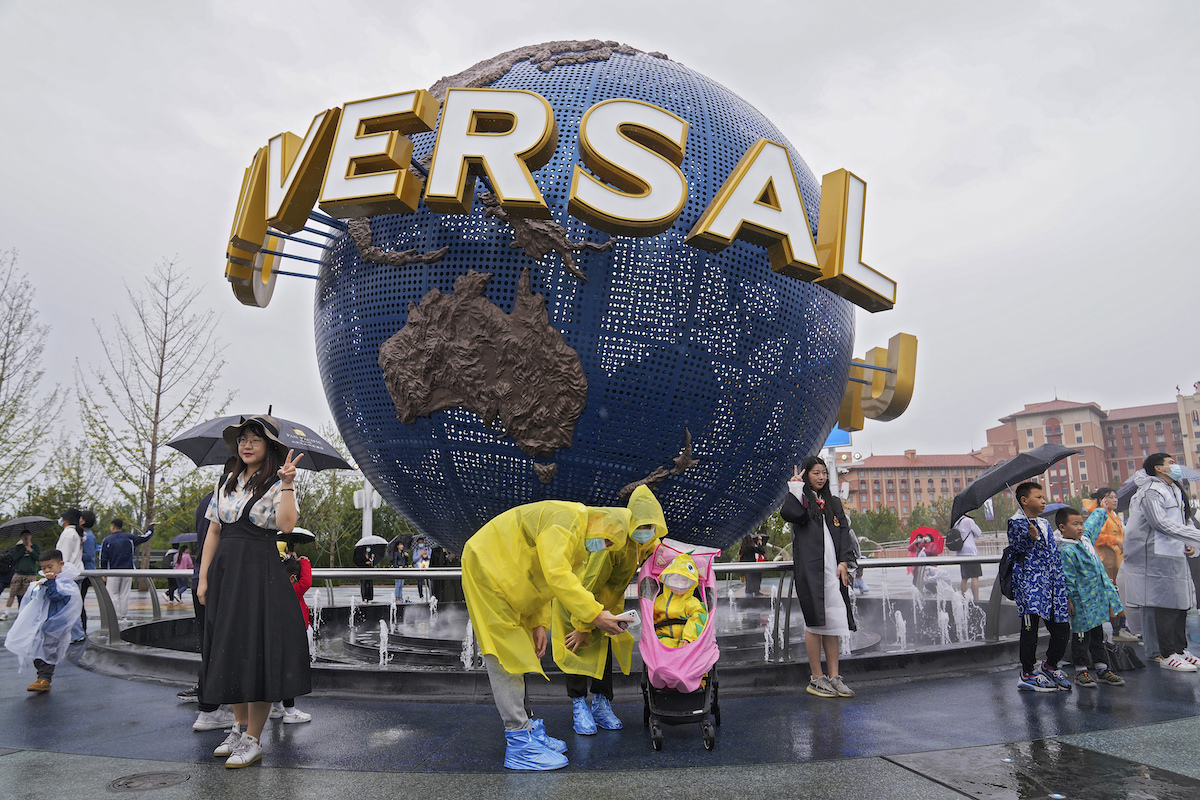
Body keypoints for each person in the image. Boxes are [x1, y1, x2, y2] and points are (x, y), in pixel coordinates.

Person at [461, 492, 653, 771]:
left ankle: (527, 730)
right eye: (608, 539)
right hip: (488, 570)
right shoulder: (568, 519)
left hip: (505, 576)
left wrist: (539, 622)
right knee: (505, 657)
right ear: (602, 522)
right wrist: (595, 614)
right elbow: (556, 574)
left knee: (521, 654)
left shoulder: (577, 538)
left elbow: (540, 576)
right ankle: (518, 743)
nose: (605, 546)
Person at [197, 414, 310, 769]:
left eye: (255, 439)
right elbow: (214, 532)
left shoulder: (277, 483)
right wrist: (203, 579)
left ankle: (253, 738)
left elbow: (287, 525)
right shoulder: (227, 482)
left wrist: (289, 483)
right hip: (226, 574)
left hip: (259, 574)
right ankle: (237, 726)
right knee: (229, 651)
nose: (246, 445)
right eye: (243, 439)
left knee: (256, 652)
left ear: (269, 447)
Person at [553, 485, 666, 736]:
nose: (646, 532)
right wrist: (583, 625)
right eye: (642, 526)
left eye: (650, 526)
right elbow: (590, 583)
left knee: (603, 650)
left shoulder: (642, 543)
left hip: (607, 604)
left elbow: (660, 551)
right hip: (578, 599)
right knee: (577, 649)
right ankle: (579, 704)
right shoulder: (613, 542)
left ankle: (602, 703)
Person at [780, 456, 858, 700]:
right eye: (815, 472)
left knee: (834, 623)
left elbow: (844, 532)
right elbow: (790, 514)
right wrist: (794, 488)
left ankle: (834, 677)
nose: (821, 476)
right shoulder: (802, 501)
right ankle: (816, 677)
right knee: (814, 623)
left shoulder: (833, 503)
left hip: (833, 572)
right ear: (807, 475)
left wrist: (844, 562)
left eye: (823, 472)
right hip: (811, 571)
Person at [1121, 453, 1200, 672]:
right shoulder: (1151, 492)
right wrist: (1193, 537)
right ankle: (1167, 654)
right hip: (1156, 555)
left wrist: (1190, 541)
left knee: (1182, 602)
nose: (1176, 466)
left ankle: (1180, 648)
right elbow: (1160, 523)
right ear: (1158, 468)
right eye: (1171, 463)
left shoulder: (1174, 489)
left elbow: (1184, 521)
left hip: (1175, 552)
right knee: (1166, 604)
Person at [1008, 481, 1071, 692]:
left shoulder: (1043, 523)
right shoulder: (1016, 522)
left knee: (1062, 628)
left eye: (1043, 497)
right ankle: (1027, 673)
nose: (1043, 501)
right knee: (1030, 628)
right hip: (1030, 585)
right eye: (1038, 497)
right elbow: (1017, 548)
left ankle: (1050, 665)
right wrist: (1029, 537)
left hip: (1053, 584)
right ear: (1024, 500)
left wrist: (1062, 584)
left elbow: (1053, 554)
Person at [1057, 507, 1125, 688]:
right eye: (1075, 524)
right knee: (1080, 637)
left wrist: (1103, 509)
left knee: (1097, 635)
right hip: (1081, 602)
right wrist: (1069, 599)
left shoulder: (1084, 540)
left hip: (1095, 601)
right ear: (1062, 527)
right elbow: (1067, 578)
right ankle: (1081, 671)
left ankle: (1102, 669)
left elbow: (1093, 525)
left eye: (1081, 523)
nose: (1080, 527)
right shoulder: (1067, 550)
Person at [4, 549, 82, 692]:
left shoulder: (66, 583)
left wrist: (50, 583)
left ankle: (45, 679)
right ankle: (41, 677)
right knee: (36, 647)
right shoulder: (47, 581)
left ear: (61, 564)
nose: (46, 570)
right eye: (43, 568)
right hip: (44, 622)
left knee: (48, 649)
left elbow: (56, 596)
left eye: (50, 567)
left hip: (56, 624)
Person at [1085, 487, 1138, 642]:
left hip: (1117, 560)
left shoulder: (1113, 515)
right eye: (1111, 497)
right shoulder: (1099, 516)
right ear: (1103, 500)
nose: (1115, 500)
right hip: (1107, 560)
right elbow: (1097, 536)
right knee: (1112, 594)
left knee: (1120, 593)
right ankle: (1117, 628)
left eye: (1115, 497)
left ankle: (1122, 626)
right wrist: (1115, 540)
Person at [270, 542, 313, 724]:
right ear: (293, 578)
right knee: (291, 670)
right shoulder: (293, 590)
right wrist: (304, 562)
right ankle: (290, 712)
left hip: (276, 635)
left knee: (277, 670)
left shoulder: (273, 590)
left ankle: (277, 707)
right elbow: (307, 581)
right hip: (295, 633)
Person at [99, 518, 152, 621]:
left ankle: (112, 617)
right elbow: (145, 537)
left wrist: (103, 572)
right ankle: (123, 616)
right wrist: (151, 527)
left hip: (113, 572)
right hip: (128, 570)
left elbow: (103, 558)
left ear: (113, 526)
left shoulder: (107, 540)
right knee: (124, 594)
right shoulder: (129, 538)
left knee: (112, 595)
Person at [653, 552, 708, 647]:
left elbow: (698, 618)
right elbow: (651, 618)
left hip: (685, 640)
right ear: (667, 580)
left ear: (691, 582)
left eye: (684, 580)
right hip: (662, 638)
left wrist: (688, 638)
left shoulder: (692, 602)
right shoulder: (659, 600)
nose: (678, 584)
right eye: (674, 580)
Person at [71, 510, 99, 641]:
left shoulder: (88, 536)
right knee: (78, 602)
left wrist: (75, 556)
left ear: (83, 521)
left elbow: (88, 555)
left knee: (78, 603)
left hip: (85, 573)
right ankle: (81, 630)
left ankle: (81, 630)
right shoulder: (84, 534)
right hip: (83, 572)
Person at [5, 530, 42, 616]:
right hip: (19, 573)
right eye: (24, 536)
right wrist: (23, 549)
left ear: (30, 536)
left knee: (27, 594)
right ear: (21, 537)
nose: (26, 537)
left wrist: (30, 550)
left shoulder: (36, 547)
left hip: (30, 574)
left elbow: (38, 558)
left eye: (27, 535)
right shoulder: (18, 547)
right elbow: (14, 557)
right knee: (13, 593)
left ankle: (25, 612)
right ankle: (6, 612)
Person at [954, 515, 983, 602]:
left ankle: (964, 598)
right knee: (975, 576)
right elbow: (979, 533)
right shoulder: (968, 520)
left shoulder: (956, 523)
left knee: (964, 577)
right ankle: (976, 599)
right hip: (971, 552)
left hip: (961, 553)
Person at [352, 534, 386, 603]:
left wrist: (373, 558)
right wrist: (365, 563)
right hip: (363, 570)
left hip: (370, 570)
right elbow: (357, 561)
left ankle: (369, 598)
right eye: (367, 547)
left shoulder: (371, 553)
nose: (368, 548)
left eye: (369, 547)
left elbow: (373, 562)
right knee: (364, 584)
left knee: (369, 584)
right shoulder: (360, 554)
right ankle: (364, 598)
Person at [739, 529, 769, 597]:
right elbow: (762, 551)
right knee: (750, 585)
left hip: (745, 568)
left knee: (748, 584)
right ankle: (750, 600)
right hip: (751, 568)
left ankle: (749, 597)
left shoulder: (743, 548)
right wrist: (760, 542)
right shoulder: (751, 547)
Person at [386, 533, 411, 601]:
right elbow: (394, 562)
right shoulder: (396, 553)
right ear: (397, 546)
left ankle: (400, 596)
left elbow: (406, 562)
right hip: (398, 569)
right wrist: (396, 568)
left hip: (403, 569)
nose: (402, 546)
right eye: (400, 545)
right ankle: (397, 596)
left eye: (402, 545)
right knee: (398, 583)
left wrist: (406, 557)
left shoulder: (403, 553)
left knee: (401, 583)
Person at [412, 534, 433, 600]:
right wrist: (420, 555)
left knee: (429, 582)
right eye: (419, 543)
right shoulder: (416, 550)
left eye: (422, 542)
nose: (421, 544)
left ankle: (432, 595)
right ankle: (421, 596)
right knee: (419, 583)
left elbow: (431, 557)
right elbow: (414, 559)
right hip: (419, 568)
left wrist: (426, 556)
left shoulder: (428, 549)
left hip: (426, 567)